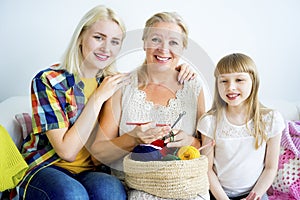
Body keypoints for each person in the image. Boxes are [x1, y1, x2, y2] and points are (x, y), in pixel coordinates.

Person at [17, 5, 195, 200]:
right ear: (81, 37)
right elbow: (66, 152)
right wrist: (98, 97)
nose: (106, 48)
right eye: (98, 38)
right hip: (48, 166)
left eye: (115, 42)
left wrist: (179, 68)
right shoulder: (48, 81)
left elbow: (153, 70)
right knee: (72, 195)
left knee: (112, 192)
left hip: (91, 169)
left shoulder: (114, 82)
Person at [91, 11, 208, 199]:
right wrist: (133, 139)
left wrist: (189, 141)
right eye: (156, 39)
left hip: (185, 187)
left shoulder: (194, 87)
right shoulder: (121, 87)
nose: (163, 49)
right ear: (144, 42)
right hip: (135, 187)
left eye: (174, 43)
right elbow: (97, 155)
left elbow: (206, 147)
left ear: (183, 48)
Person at [197, 53, 286, 200]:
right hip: (218, 193)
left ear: (254, 81)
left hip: (255, 193)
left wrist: (254, 196)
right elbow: (207, 169)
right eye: (224, 81)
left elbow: (271, 168)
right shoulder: (209, 121)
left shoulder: (271, 119)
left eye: (239, 80)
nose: (231, 87)